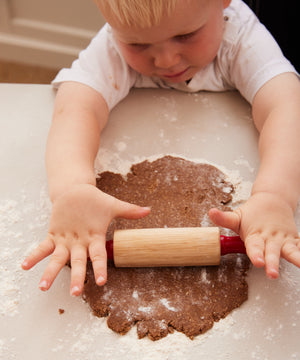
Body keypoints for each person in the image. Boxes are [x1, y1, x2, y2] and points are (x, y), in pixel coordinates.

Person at [22, 0, 300, 297]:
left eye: (185, 36)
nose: (166, 60)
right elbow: (75, 108)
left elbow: (286, 107)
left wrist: (276, 195)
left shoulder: (241, 40)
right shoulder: (113, 48)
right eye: (138, 44)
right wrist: (71, 188)